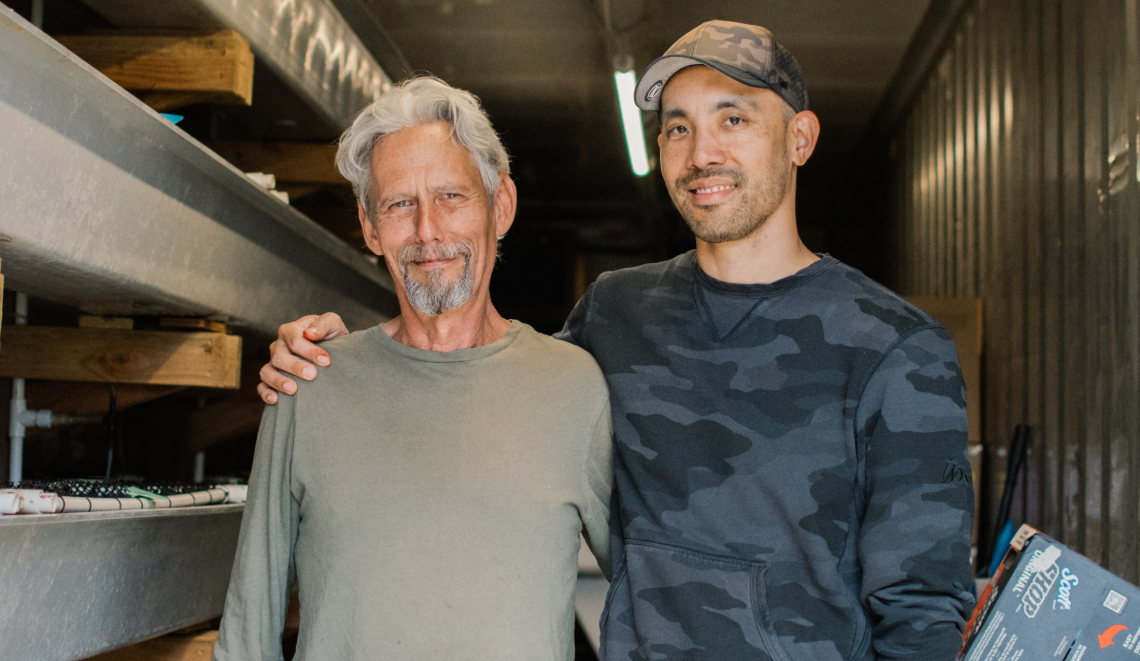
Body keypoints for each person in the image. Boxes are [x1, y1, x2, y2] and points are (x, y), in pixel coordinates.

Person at [257, 21, 975, 661]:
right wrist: (342, 359)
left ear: (800, 138)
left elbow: (921, 614)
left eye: (734, 118)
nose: (702, 153)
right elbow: (484, 381)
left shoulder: (896, 349)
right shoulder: (617, 312)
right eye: (678, 128)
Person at [213, 76, 613, 661]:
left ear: (500, 206)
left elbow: (648, 589)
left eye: (451, 197)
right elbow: (249, 629)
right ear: (370, 228)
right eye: (399, 204)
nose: (427, 230)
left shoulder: (574, 388)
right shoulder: (311, 383)